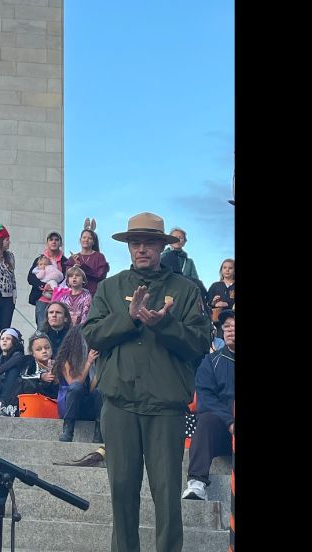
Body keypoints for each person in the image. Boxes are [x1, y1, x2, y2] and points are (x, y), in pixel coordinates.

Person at [82, 212, 211, 552]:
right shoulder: (110, 287)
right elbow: (91, 333)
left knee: (168, 494)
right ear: (128, 247)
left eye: (150, 243)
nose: (142, 249)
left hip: (165, 408)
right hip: (119, 403)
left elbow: (200, 343)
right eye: (136, 243)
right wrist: (128, 318)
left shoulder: (185, 290)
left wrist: (162, 325)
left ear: (161, 247)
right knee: (122, 490)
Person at [182, 309, 234, 501]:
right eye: (226, 327)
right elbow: (206, 399)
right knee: (206, 420)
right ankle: (197, 483)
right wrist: (230, 422)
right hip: (223, 431)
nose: (230, 330)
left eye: (234, 326)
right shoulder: (211, 361)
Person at [53, 326, 102, 443]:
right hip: (70, 406)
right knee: (76, 387)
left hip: (87, 406)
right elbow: (75, 384)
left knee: (99, 391)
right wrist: (88, 363)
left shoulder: (96, 359)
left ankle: (99, 432)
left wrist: (99, 370)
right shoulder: (66, 360)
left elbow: (91, 390)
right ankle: (68, 430)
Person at [26, 232, 68, 327]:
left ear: (60, 244)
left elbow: (66, 279)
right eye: (51, 239)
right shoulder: (39, 260)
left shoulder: (65, 261)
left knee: (58, 328)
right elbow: (30, 278)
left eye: (56, 240)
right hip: (41, 299)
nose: (54, 242)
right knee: (41, 328)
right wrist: (44, 286)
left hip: (59, 300)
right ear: (47, 243)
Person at [0, 327, 26, 415]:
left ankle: (3, 404)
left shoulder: (17, 354)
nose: (4, 341)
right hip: (1, 387)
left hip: (14, 388)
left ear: (14, 341)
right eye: (2, 339)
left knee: (13, 368)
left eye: (8, 338)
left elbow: (17, 359)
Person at [68, 221, 109, 296]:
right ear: (80, 240)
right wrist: (74, 268)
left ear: (93, 242)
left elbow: (100, 276)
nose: (86, 240)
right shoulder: (72, 258)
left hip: (94, 295)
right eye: (84, 237)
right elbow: (67, 277)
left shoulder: (99, 257)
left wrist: (82, 266)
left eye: (89, 238)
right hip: (75, 295)